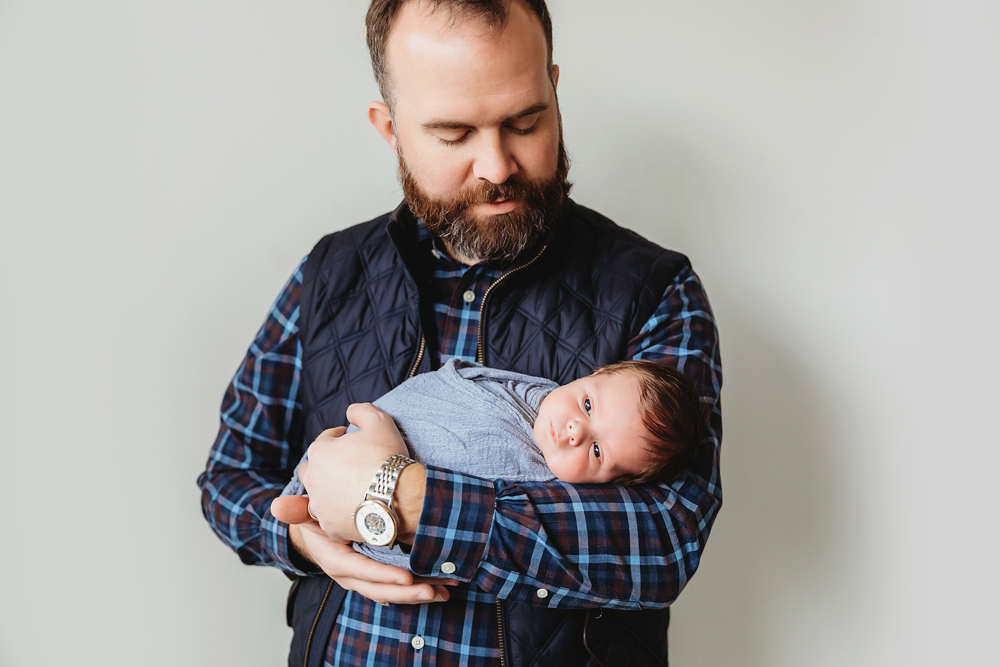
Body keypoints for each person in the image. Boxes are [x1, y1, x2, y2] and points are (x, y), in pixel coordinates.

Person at [197, 1, 723, 665]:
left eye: (525, 121)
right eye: (453, 135)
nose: (498, 166)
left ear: (555, 92)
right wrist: (305, 537)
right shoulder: (330, 272)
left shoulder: (656, 292)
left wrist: (401, 495)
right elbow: (230, 475)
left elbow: (664, 540)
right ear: (390, 130)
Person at [281, 358, 706, 569]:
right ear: (589, 375)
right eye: (588, 403)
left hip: (385, 544)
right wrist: (298, 544)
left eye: (597, 452)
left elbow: (667, 542)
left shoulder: (546, 494)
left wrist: (386, 481)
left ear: (616, 485)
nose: (576, 430)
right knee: (289, 512)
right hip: (339, 461)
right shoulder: (515, 392)